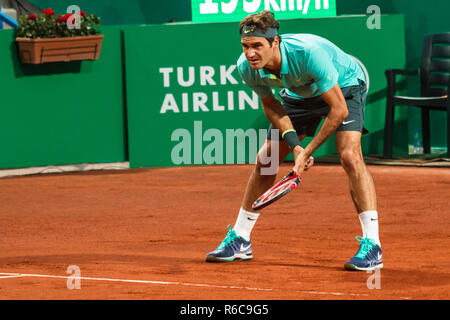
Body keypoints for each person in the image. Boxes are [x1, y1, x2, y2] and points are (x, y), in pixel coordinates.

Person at [205, 11, 382, 271]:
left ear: (275, 42)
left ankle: (372, 244)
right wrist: (296, 146)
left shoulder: (309, 53)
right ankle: (241, 238)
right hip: (299, 95)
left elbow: (338, 110)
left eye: (257, 46)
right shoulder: (247, 68)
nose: (250, 53)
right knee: (267, 159)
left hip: (344, 87)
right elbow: (272, 106)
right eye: (245, 46)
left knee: (349, 155)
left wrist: (307, 151)